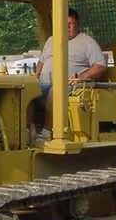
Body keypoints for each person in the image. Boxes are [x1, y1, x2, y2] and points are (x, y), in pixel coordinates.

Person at [33, 8, 106, 140]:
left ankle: (47, 132)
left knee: (55, 91)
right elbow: (41, 62)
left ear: (77, 24)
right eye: (63, 24)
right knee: (24, 90)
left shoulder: (86, 41)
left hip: (71, 86)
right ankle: (29, 131)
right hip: (42, 84)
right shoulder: (51, 40)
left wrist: (81, 77)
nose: (66, 28)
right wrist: (35, 76)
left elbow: (100, 66)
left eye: (70, 24)